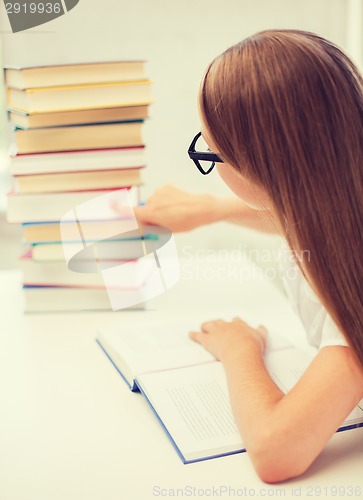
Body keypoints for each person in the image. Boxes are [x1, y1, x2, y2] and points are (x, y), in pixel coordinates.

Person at [128, 30, 363, 482]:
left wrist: (240, 350)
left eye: (211, 154)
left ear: (265, 165)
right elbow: (299, 208)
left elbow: (277, 453)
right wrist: (212, 209)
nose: (210, 160)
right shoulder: (343, 188)